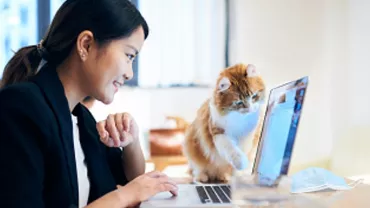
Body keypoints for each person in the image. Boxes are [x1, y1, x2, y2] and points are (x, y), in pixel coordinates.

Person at [0, 0, 178, 207]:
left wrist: (131, 141)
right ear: (86, 44)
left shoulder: (81, 119)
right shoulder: (20, 107)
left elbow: (131, 179)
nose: (130, 73)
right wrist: (125, 196)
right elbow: (126, 193)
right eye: (128, 56)